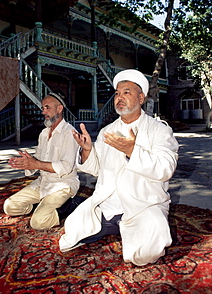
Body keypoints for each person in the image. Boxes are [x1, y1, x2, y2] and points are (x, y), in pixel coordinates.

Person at [59, 69, 179, 266]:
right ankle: (108, 224)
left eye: (126, 92)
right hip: (108, 204)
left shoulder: (159, 130)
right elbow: (98, 169)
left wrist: (132, 151)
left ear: (141, 98)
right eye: (117, 93)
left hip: (144, 204)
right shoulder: (108, 131)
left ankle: (129, 230)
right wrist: (88, 151)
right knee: (71, 231)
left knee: (147, 251)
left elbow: (166, 168)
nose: (119, 98)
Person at [3, 93, 81, 230]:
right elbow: (37, 160)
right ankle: (41, 206)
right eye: (42, 108)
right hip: (43, 183)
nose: (43, 111)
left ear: (59, 109)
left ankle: (70, 206)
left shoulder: (70, 133)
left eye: (47, 107)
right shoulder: (44, 134)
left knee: (38, 223)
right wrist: (28, 162)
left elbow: (66, 167)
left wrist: (36, 164)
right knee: (9, 206)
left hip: (63, 184)